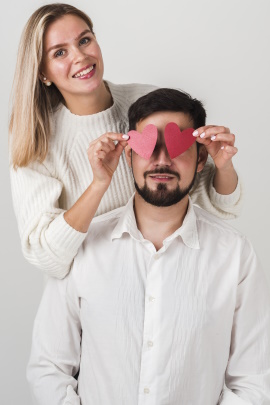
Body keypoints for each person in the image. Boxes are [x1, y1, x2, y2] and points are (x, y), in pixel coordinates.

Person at [27, 88, 270, 405]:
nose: (162, 160)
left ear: (200, 160)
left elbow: (252, 382)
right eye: (148, 147)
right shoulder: (83, 246)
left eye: (177, 147)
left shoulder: (235, 255)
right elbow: (49, 369)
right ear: (128, 156)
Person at [9, 3, 242, 279]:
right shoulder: (37, 142)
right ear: (43, 73)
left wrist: (224, 165)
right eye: (60, 52)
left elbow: (219, 205)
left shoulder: (147, 103)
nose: (81, 56)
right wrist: (99, 184)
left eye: (85, 40)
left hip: (176, 274)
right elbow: (46, 258)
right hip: (99, 291)